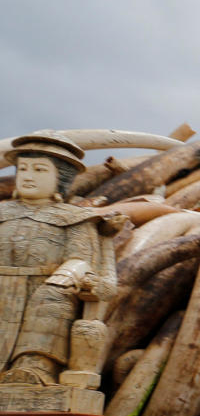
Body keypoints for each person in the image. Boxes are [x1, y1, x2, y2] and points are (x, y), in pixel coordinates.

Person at [0, 131, 116, 386]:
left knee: (53, 298)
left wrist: (71, 275)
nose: (28, 176)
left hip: (45, 290)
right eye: (23, 169)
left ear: (60, 179)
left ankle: (35, 366)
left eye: (40, 170)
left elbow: (82, 259)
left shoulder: (75, 219)